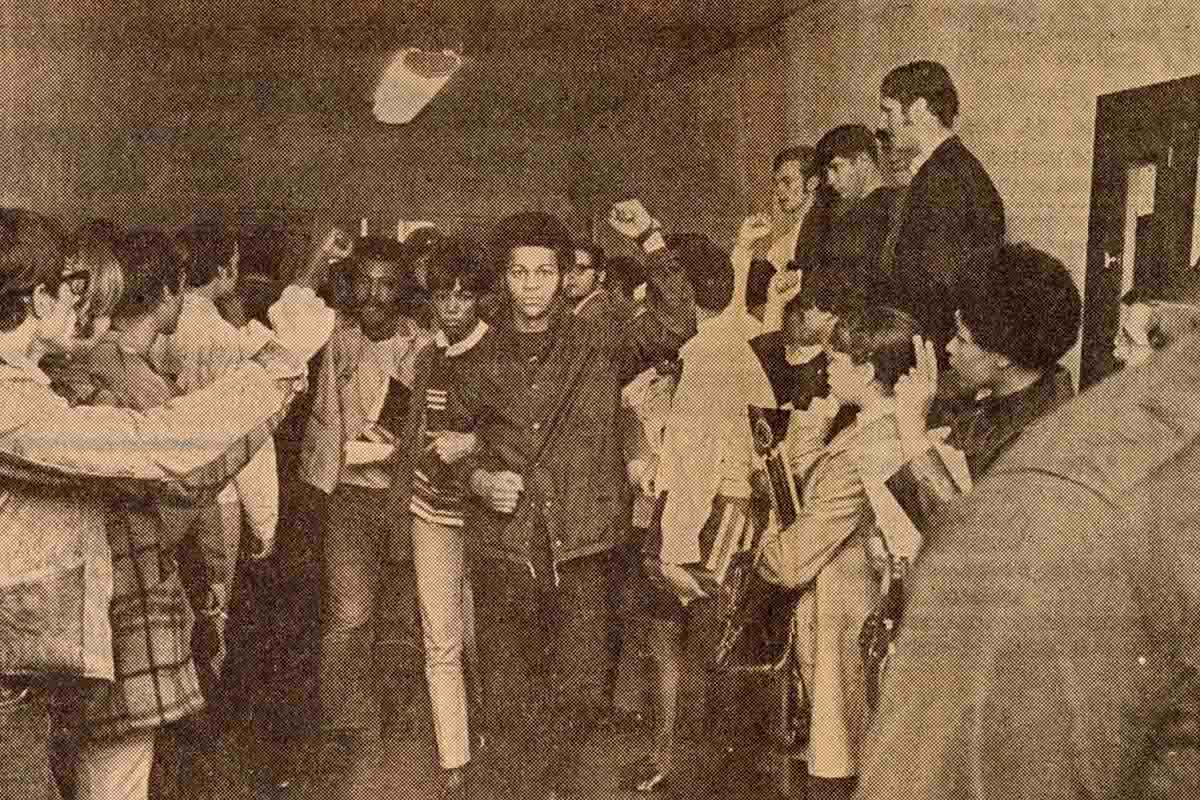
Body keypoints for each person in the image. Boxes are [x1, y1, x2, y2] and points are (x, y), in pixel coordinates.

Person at [0, 207, 335, 800]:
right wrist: (281, 360)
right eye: (72, 286)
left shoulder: (28, 383)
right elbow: (155, 445)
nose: (89, 305)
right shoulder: (11, 401)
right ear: (39, 298)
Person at [853, 312, 1200, 800]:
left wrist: (913, 439)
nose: (949, 349)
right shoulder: (1008, 417)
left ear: (1000, 355)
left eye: (964, 338)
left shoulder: (1062, 460)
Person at [448, 205, 694, 799]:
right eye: (519, 272)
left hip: (585, 542)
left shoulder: (602, 337)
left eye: (543, 271)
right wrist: (480, 480)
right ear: (504, 279)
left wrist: (651, 239)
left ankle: (552, 789)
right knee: (510, 698)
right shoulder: (477, 356)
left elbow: (678, 321)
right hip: (506, 546)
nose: (531, 284)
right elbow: (447, 445)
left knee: (583, 695)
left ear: (565, 277)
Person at [624, 219, 777, 796]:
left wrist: (673, 549)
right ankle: (695, 765)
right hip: (734, 513)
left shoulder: (703, 364)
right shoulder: (729, 345)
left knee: (677, 643)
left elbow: (692, 469)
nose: (648, 303)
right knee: (710, 647)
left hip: (701, 515)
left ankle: (681, 766)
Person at [756, 306, 922, 800]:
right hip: (858, 613)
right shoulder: (873, 430)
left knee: (834, 762)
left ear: (866, 373)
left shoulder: (862, 449)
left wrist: (755, 546)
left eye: (837, 359)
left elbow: (792, 560)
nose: (826, 367)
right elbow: (809, 481)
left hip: (841, 620)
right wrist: (819, 417)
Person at [298, 235, 431, 794]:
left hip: (404, 495)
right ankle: (349, 726)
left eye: (387, 284)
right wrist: (315, 263)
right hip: (347, 495)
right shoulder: (334, 334)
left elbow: (398, 425)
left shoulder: (420, 344)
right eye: (365, 283)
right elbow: (291, 313)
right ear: (350, 287)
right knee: (350, 613)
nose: (375, 295)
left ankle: (400, 724)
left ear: (404, 289)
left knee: (402, 612)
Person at [387, 236, 490, 799]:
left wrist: (470, 442)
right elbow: (408, 431)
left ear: (479, 299)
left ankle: (494, 740)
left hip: (483, 515)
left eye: (462, 296)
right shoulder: (427, 355)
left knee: (486, 640)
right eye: (441, 298)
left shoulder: (495, 353)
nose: (451, 307)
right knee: (439, 638)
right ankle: (455, 758)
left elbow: (517, 435)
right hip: (429, 510)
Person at [878, 60, 1005, 357]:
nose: (883, 125)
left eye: (888, 111)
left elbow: (936, 288)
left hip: (934, 358)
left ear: (919, 109)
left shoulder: (945, 178)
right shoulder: (946, 170)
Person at [805, 124, 902, 317]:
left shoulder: (895, 208)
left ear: (863, 160)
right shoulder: (842, 215)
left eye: (835, 167)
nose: (830, 179)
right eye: (827, 171)